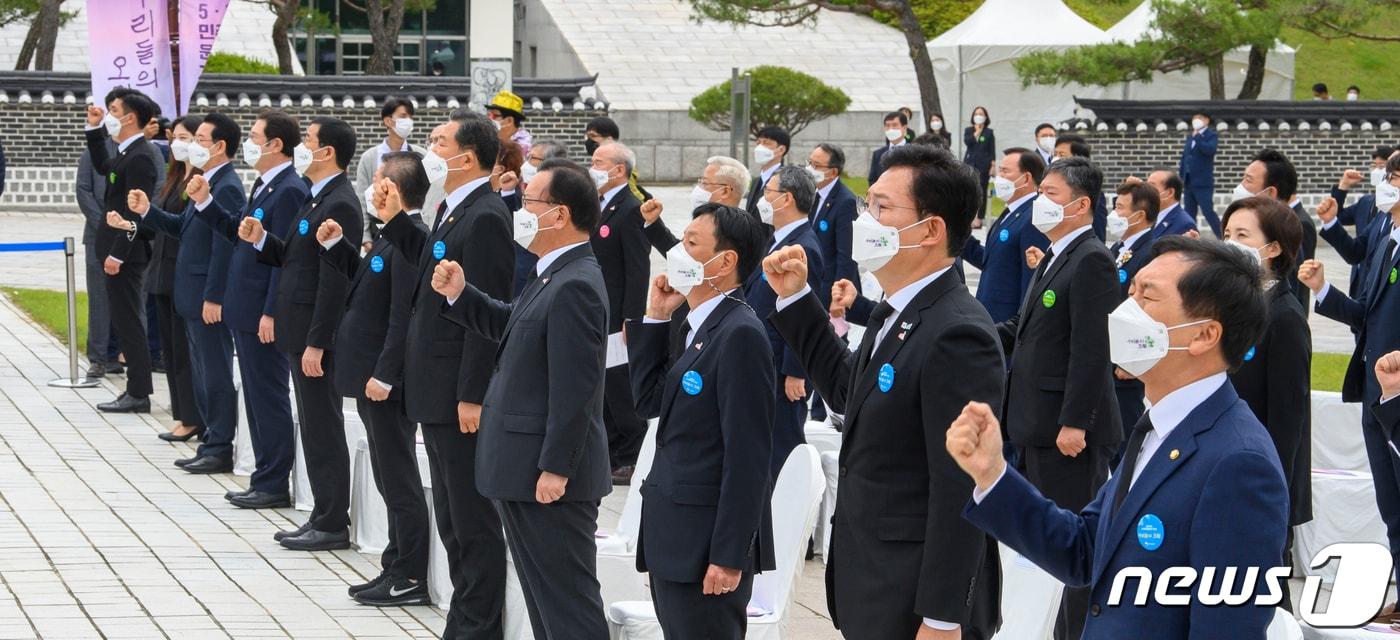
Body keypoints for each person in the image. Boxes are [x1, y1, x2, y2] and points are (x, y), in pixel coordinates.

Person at [948, 236, 1287, 639]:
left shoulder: (1239, 464)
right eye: (1131, 292)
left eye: (1147, 297)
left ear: (1204, 335)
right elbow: (1084, 550)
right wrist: (992, 475)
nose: (1126, 311)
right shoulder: (1157, 428)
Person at [767, 145, 1002, 639]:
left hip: (914, 598)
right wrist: (797, 298)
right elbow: (850, 393)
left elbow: (961, 485)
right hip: (874, 580)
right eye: (866, 203)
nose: (865, 219)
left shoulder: (958, 332)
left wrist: (941, 619)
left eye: (881, 207)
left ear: (931, 230)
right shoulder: (896, 309)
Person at [431, 158, 612, 639]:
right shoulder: (551, 273)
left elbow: (576, 388)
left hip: (547, 475)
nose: (519, 211)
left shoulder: (576, 283)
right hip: (522, 467)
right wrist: (462, 294)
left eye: (529, 201)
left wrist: (557, 466)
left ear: (560, 214)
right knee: (543, 601)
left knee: (567, 605)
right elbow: (515, 328)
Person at [373, 112, 512, 638]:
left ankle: (478, 627)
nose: (429, 150)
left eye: (439, 142)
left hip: (457, 393)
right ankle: (464, 619)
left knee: (471, 520)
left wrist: (472, 394)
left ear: (468, 157)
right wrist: (394, 221)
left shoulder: (487, 215)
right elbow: (433, 265)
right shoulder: (453, 207)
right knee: (452, 518)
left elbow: (485, 313)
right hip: (433, 387)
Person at [630, 202, 775, 639]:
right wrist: (657, 317)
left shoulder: (740, 333)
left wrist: (729, 555)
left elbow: (748, 457)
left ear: (725, 262)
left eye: (691, 243)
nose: (677, 251)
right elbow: (648, 401)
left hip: (705, 546)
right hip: (674, 536)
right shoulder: (697, 326)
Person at [997, 156, 1121, 640]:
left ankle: (1075, 633)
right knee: (1038, 543)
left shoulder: (1091, 259)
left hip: (1065, 432)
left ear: (1081, 204)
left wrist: (1076, 422)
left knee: (1072, 547)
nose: (1040, 203)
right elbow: (1024, 329)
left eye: (1050, 194)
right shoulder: (1054, 253)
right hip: (1033, 423)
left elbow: (1092, 349)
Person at [235, 117, 363, 551]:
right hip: (298, 328)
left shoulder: (340, 203)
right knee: (312, 425)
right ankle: (322, 513)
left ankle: (332, 521)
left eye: (308, 140)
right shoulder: (315, 196)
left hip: (314, 336)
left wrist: (318, 342)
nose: (302, 147)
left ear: (327, 152)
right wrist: (262, 240)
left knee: (323, 427)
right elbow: (295, 259)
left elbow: (334, 281)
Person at [312, 152, 432, 605]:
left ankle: (409, 573)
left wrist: (386, 374)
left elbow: (403, 315)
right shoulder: (388, 236)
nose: (370, 186)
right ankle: (394, 562)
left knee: (398, 479)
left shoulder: (409, 239)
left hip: (385, 383)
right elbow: (368, 284)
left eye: (378, 179)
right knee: (386, 474)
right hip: (369, 376)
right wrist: (338, 248)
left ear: (393, 190)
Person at [191, 110, 307, 510]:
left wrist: (271, 311)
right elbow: (241, 234)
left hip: (262, 312)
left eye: (256, 137)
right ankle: (263, 475)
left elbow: (283, 257)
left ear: (275, 144)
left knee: (268, 396)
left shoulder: (289, 190)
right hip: (245, 306)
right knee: (256, 398)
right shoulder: (264, 184)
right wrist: (205, 203)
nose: (250, 143)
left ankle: (273, 482)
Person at [1299, 153, 1400, 597]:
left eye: (1395, 177)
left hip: (1397, 390)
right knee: (1391, 507)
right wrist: (1322, 289)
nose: (1387, 183)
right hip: (1375, 389)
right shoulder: (1385, 236)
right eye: (1388, 175)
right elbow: (1366, 316)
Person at [122, 114, 244, 477]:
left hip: (207, 298)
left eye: (200, 140)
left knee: (215, 374)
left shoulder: (226, 187)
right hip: (189, 293)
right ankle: (209, 439)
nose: (192, 146)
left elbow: (224, 245)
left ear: (219, 146)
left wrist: (215, 296)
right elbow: (183, 227)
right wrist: (147, 211)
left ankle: (220, 446)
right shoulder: (203, 180)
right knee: (201, 373)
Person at [1221, 196, 1311, 598]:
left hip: (1260, 478)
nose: (1230, 243)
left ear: (1272, 248)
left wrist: (1272, 490)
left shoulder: (1285, 317)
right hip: (1225, 465)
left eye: (1242, 235)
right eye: (1227, 233)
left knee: (1265, 590)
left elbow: (1288, 421)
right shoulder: (1236, 307)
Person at [84, 89, 163, 413]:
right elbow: (104, 166)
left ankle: (139, 392)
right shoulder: (125, 151)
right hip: (115, 249)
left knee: (129, 322)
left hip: (126, 254)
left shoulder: (141, 156)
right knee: (124, 318)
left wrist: (118, 253)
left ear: (130, 117)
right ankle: (134, 389)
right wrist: (94, 129)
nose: (109, 115)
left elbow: (134, 212)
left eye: (114, 110)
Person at [745, 166, 824, 476]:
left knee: (784, 445)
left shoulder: (803, 248)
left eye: (768, 193)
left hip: (782, 368)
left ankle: (791, 498)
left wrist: (795, 371)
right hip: (765, 358)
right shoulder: (779, 239)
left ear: (786, 198)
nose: (762, 199)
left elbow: (804, 313)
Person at [589, 142, 651, 485]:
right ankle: (612, 450)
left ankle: (632, 452)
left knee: (620, 386)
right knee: (603, 385)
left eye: (599, 162)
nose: (593, 167)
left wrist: (632, 318)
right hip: (598, 309)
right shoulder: (599, 204)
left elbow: (638, 269)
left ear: (619, 170)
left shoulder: (630, 209)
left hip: (618, 315)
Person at [143, 116, 198, 439]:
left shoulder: (199, 183)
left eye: (185, 137)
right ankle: (181, 413)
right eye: (174, 136)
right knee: (171, 350)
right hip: (162, 272)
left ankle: (192, 416)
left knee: (184, 352)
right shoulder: (175, 177)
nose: (177, 143)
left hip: (183, 273)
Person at [961, 147, 1048, 323]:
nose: (998, 177)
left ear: (1026, 178)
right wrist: (958, 234)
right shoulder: (1011, 212)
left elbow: (1031, 281)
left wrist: (1019, 326)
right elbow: (992, 261)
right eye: (999, 170)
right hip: (989, 316)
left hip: (1007, 322)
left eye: (1005, 171)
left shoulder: (1033, 217)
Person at [1107, 181, 1161, 450]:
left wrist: (1133, 360)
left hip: (1126, 363)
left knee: (1125, 436)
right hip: (1110, 354)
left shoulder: (1149, 251)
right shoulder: (1119, 249)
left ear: (1139, 215)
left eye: (1120, 208)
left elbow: (1147, 311)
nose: (1114, 214)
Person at [1234, 148, 1316, 314]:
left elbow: (1294, 281)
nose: (1241, 187)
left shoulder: (1296, 225)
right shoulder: (1261, 223)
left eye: (1248, 180)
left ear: (1270, 192)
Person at [1321, 149, 1398, 300]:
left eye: (1384, 167)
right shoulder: (1371, 207)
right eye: (1375, 166)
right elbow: (1355, 250)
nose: (1380, 172)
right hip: (1362, 288)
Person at [354, 97, 434, 241]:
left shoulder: (420, 155)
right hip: (378, 228)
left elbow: (429, 194)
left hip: (412, 228)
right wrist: (365, 238)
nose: (408, 121)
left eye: (411, 117)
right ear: (388, 121)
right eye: (403, 116)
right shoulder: (369, 157)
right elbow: (361, 199)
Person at [640, 156, 748, 255]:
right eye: (699, 182)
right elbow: (682, 256)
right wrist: (653, 222)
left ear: (725, 191)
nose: (699, 188)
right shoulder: (710, 221)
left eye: (705, 183)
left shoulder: (736, 234)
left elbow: (687, 260)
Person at [502, 139, 569, 295]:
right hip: (516, 275)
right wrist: (507, 192)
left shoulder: (560, 198)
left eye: (532, 158)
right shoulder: (519, 189)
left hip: (540, 276)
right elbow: (510, 226)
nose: (526, 165)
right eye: (527, 157)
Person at [807, 143, 860, 303]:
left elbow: (846, 255)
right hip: (811, 282)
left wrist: (838, 297)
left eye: (816, 166)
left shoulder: (846, 202)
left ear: (833, 172)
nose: (809, 169)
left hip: (829, 289)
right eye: (809, 163)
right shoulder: (811, 193)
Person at [1049, 134, 1108, 241]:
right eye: (1055, 154)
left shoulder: (1092, 193)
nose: (1056, 159)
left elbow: (1098, 233)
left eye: (1062, 155)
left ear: (1079, 159)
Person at [1180, 112, 1220, 237]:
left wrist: (1198, 137)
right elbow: (1185, 157)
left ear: (1206, 120)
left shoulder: (1211, 135)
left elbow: (1210, 150)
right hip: (1189, 182)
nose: (1196, 120)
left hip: (1203, 183)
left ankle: (1223, 237)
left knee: (1208, 212)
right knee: (1189, 214)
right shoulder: (1190, 136)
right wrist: (1181, 177)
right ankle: (1191, 239)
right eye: (1194, 118)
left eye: (1199, 118)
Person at [745, 125, 789, 222]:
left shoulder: (786, 180)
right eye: (758, 143)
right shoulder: (757, 181)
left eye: (766, 143)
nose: (759, 147)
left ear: (781, 150)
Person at [962, 106, 996, 226]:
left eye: (981, 114)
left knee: (982, 191)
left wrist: (993, 165)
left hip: (984, 165)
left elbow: (992, 150)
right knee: (969, 190)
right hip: (970, 163)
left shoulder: (989, 132)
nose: (978, 116)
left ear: (985, 117)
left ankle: (979, 218)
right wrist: (976, 132)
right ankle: (968, 217)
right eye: (976, 114)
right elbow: (968, 142)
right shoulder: (968, 130)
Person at [1143, 169, 1196, 238]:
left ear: (1170, 192)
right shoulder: (1147, 216)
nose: (1146, 191)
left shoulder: (1185, 224)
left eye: (1151, 187)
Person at [487, 90, 532, 157]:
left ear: (509, 121)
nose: (490, 119)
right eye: (489, 115)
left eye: (495, 116)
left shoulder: (523, 144)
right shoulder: (490, 137)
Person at [868, 111, 908, 186]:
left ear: (904, 128)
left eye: (894, 125)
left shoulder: (914, 152)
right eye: (887, 126)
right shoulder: (878, 154)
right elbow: (872, 180)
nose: (890, 129)